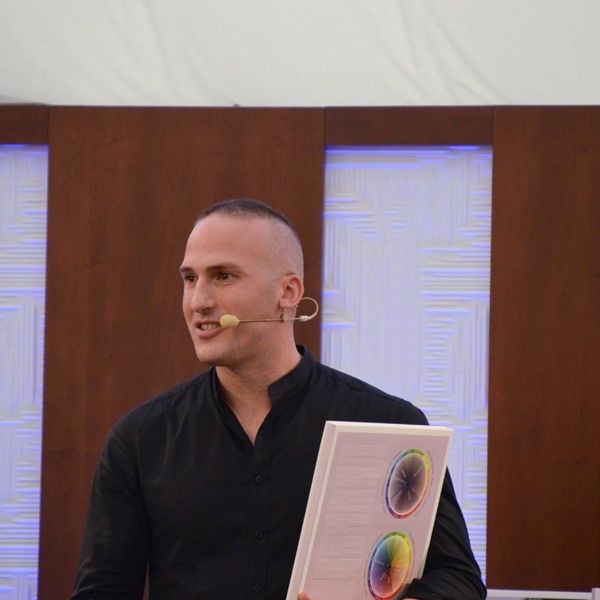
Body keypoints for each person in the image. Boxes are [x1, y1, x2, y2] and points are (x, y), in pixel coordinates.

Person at [71, 198, 486, 600]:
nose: (199, 301)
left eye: (223, 276)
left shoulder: (389, 423)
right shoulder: (141, 439)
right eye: (190, 278)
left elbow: (458, 579)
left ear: (288, 292)